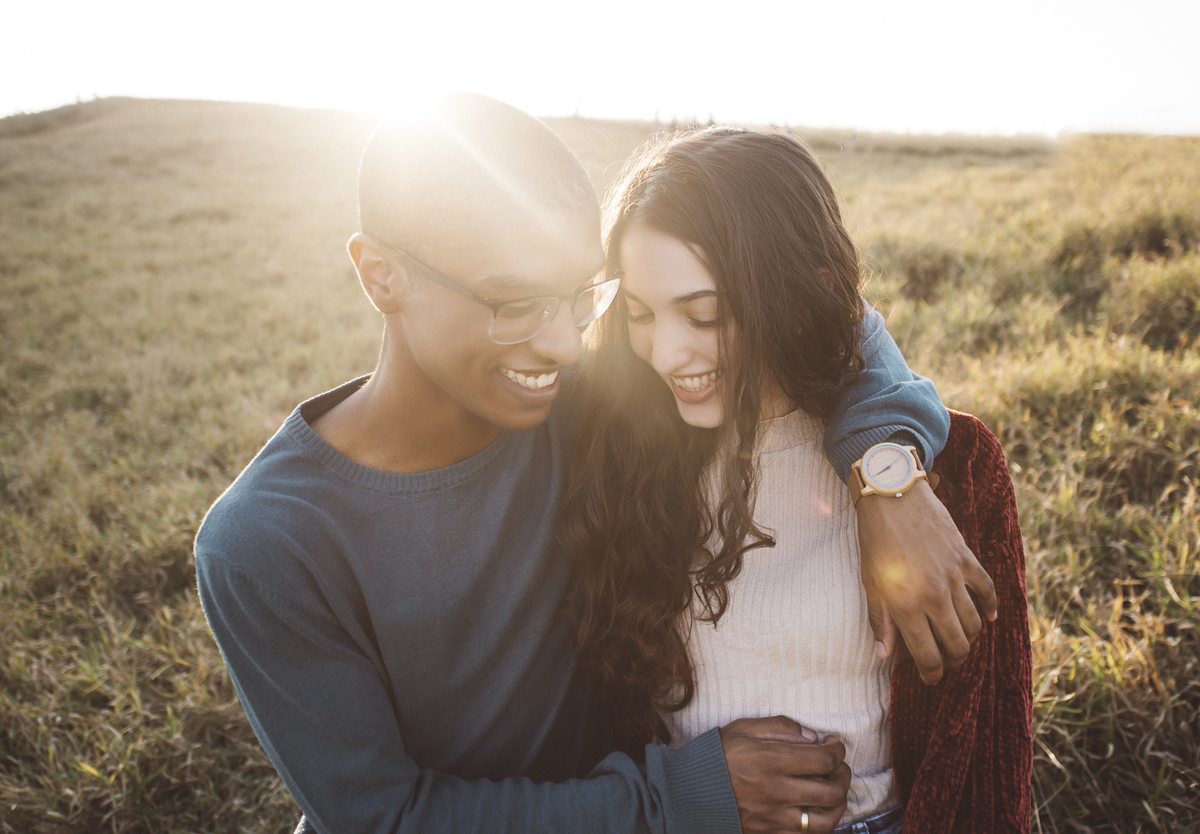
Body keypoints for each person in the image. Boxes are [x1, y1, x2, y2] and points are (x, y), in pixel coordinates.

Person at [194, 94, 995, 834]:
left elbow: (819, 318)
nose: (564, 344)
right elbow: (386, 819)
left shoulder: (582, 400)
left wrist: (885, 477)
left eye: (582, 299)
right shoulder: (267, 544)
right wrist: (681, 796)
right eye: (515, 304)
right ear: (381, 276)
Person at [562, 127, 1031, 833]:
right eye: (640, 313)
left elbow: (991, 751)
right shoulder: (611, 451)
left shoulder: (949, 467)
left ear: (798, 293)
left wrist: (886, 478)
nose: (665, 353)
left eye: (704, 315)